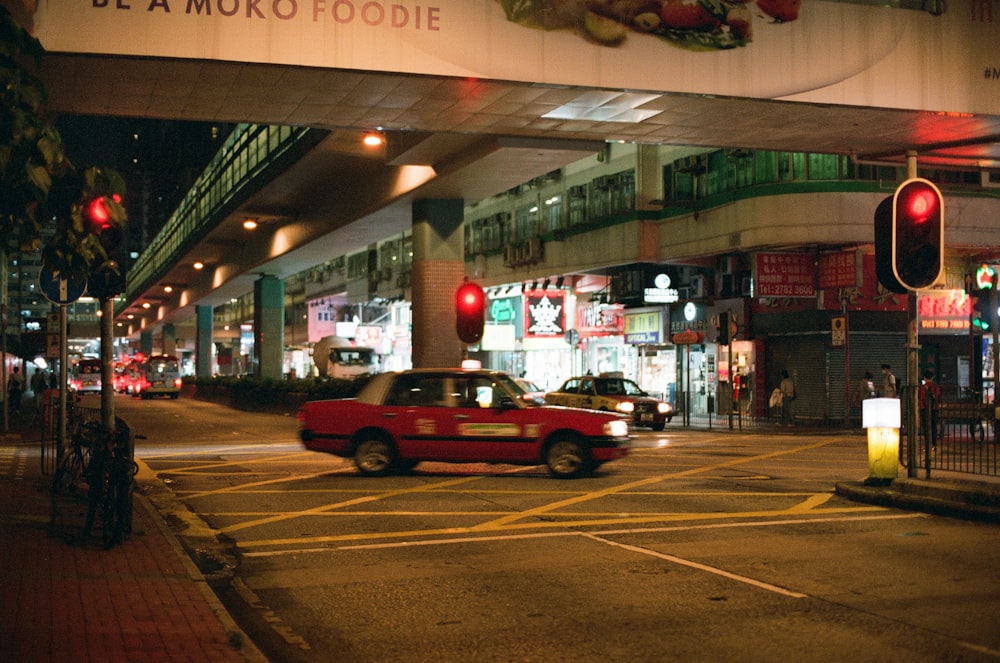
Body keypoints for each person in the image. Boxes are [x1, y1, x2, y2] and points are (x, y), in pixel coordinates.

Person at [918, 370, 942, 449]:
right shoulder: (936, 387)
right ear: (932, 378)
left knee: (925, 428)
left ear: (924, 378)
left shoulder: (921, 387)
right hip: (934, 409)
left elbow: (920, 398)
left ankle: (927, 444)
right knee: (933, 426)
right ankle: (934, 444)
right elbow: (938, 397)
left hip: (924, 409)